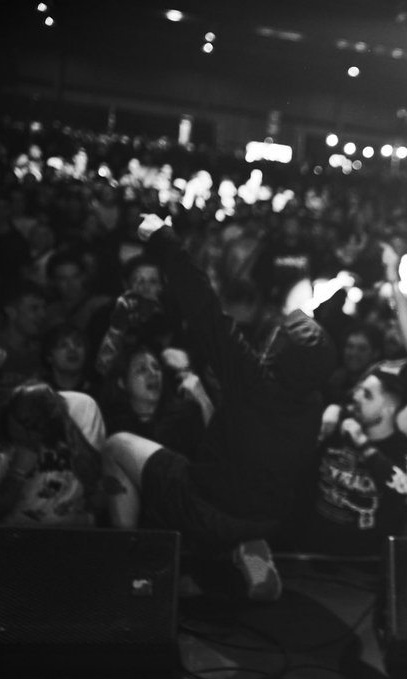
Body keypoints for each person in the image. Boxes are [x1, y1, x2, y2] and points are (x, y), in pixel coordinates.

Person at [100, 215, 336, 602]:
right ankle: (247, 552)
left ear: (281, 352)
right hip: (267, 515)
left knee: (117, 447)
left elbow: (205, 309)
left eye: (279, 335)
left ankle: (134, 565)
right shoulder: (311, 401)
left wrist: (165, 240)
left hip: (213, 507)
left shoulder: (254, 381)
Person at [306, 364, 407, 557]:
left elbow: (404, 488)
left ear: (388, 409)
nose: (356, 397)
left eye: (367, 395)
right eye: (359, 390)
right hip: (315, 550)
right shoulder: (337, 427)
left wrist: (362, 444)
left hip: (363, 561)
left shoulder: (404, 450)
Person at [0, 381, 105, 527]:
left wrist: (68, 428)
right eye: (27, 427)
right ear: (11, 416)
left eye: (41, 429)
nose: (35, 438)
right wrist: (18, 471)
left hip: (71, 533)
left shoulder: (81, 407)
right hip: (7, 538)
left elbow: (95, 487)